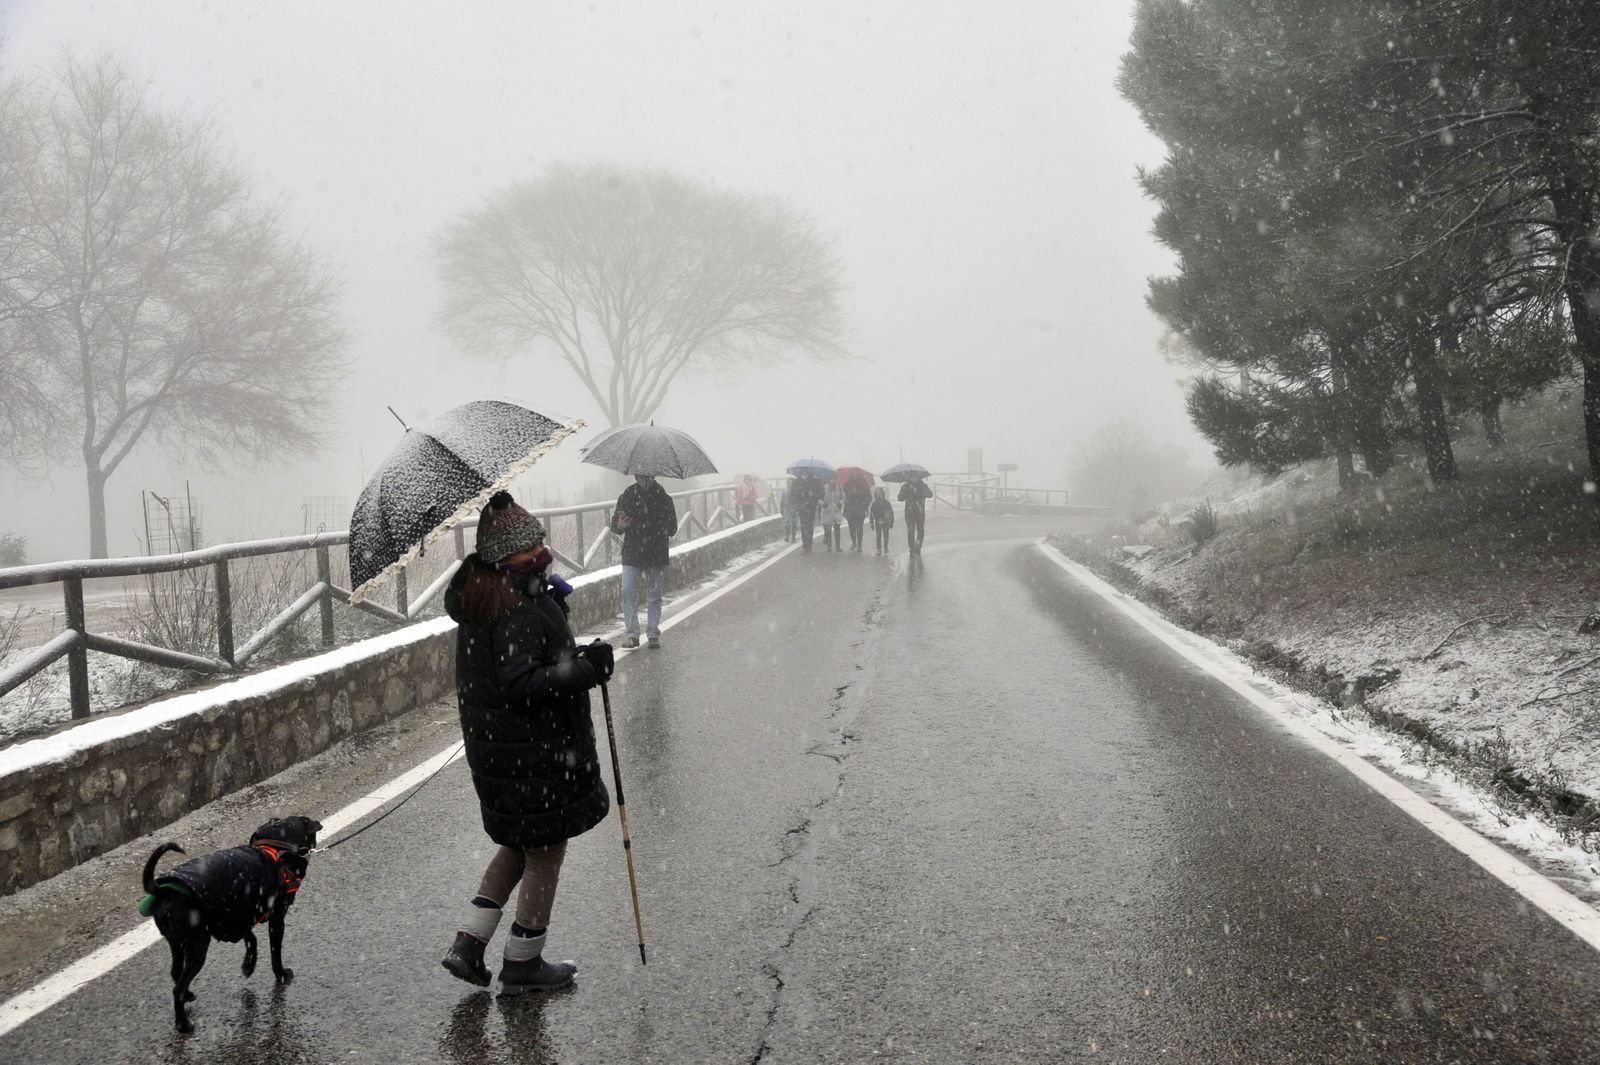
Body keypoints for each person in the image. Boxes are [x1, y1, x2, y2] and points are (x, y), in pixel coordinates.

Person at [440, 491, 614, 994]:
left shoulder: (492, 590)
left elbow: (520, 665)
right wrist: (586, 668)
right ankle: (523, 963)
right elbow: (521, 684)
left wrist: (565, 642)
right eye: (532, 541)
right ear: (510, 554)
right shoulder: (512, 603)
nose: (542, 545)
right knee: (544, 852)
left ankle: (468, 945)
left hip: (502, 748)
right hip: (531, 752)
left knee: (520, 843)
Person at [611, 474, 678, 648]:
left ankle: (653, 633)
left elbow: (673, 529)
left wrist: (659, 524)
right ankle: (632, 634)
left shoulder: (664, 498)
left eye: (647, 476)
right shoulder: (627, 496)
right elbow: (615, 526)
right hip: (632, 552)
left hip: (656, 553)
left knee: (654, 596)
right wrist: (620, 525)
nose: (644, 479)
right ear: (635, 476)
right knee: (627, 591)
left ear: (653, 476)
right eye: (641, 476)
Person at [789, 470, 823, 552]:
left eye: (805, 472)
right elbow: (792, 495)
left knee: (810, 527)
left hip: (811, 507)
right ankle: (805, 545)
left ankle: (809, 544)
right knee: (803, 527)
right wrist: (799, 496)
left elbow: (820, 493)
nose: (804, 474)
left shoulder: (814, 481)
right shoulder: (796, 482)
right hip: (802, 507)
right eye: (802, 472)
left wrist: (813, 494)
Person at [898, 474, 933, 554]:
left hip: (920, 512)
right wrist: (904, 492)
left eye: (915, 476)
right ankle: (912, 548)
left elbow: (930, 495)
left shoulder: (923, 486)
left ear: (919, 477)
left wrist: (922, 492)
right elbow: (900, 498)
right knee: (910, 531)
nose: (914, 478)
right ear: (909, 477)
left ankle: (918, 546)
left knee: (920, 530)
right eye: (912, 476)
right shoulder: (905, 486)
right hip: (909, 512)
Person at [842, 471, 872, 552]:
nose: (854, 475)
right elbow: (844, 496)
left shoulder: (864, 484)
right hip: (850, 509)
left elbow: (869, 498)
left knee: (859, 528)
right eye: (853, 473)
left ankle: (859, 544)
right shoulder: (847, 484)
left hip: (860, 509)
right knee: (851, 528)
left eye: (856, 473)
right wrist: (851, 493)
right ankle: (853, 542)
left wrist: (862, 502)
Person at [819, 479, 844, 552]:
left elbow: (843, 497)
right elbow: (819, 498)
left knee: (837, 529)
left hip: (836, 512)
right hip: (827, 512)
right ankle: (829, 545)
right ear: (828, 482)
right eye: (831, 482)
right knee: (828, 530)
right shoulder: (824, 488)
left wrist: (840, 503)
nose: (832, 484)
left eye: (834, 482)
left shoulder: (839, 488)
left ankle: (838, 546)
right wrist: (823, 504)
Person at [869, 486, 895, 554]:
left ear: (883, 494)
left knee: (886, 535)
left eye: (880, 493)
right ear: (875, 495)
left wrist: (892, 521)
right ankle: (879, 548)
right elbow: (871, 513)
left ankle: (886, 548)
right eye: (877, 493)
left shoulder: (886, 502)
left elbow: (891, 512)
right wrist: (871, 522)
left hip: (886, 521)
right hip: (877, 522)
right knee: (878, 536)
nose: (879, 494)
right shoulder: (874, 504)